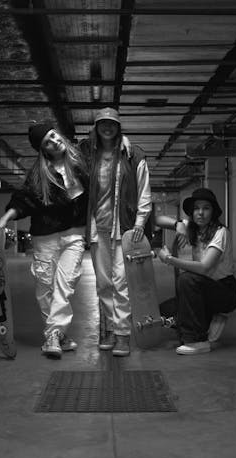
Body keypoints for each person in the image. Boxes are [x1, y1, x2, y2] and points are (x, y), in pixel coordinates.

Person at [0, 122, 89, 359]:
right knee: (45, 286)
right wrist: (5, 219)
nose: (54, 141)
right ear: (44, 149)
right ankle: (57, 334)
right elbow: (24, 200)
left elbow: (104, 141)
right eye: (47, 141)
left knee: (65, 284)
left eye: (54, 135)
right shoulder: (40, 173)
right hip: (45, 236)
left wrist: (125, 143)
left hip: (74, 234)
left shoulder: (81, 161)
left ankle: (52, 336)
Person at [79, 107, 152, 357]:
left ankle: (122, 334)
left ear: (119, 126)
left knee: (122, 282)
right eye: (102, 123)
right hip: (98, 228)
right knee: (103, 283)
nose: (107, 127)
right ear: (96, 127)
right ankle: (108, 329)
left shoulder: (133, 155)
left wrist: (140, 223)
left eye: (112, 123)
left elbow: (144, 191)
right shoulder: (89, 155)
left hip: (125, 228)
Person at [156, 188, 236, 355]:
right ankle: (211, 318)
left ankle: (197, 341)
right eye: (196, 208)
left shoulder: (220, 232)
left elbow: (204, 267)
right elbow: (157, 220)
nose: (200, 213)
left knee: (187, 280)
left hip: (225, 291)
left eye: (206, 208)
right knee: (165, 313)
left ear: (213, 211)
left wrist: (169, 259)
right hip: (203, 288)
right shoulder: (192, 228)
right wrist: (177, 224)